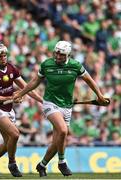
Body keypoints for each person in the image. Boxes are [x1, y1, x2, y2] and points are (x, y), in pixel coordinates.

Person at [13, 40, 109, 177]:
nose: (57, 57)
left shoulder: (76, 66)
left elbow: (89, 80)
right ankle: (62, 162)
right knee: (63, 130)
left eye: (61, 55)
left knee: (57, 141)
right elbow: (34, 82)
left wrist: (99, 95)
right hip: (50, 103)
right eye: (56, 53)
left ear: (68, 55)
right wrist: (20, 93)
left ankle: (42, 165)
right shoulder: (47, 64)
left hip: (67, 106)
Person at [0, 43, 43, 177]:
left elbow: (27, 88)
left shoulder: (12, 68)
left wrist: (42, 101)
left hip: (8, 109)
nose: (3, 58)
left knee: (8, 143)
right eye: (0, 56)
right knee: (15, 134)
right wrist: (13, 97)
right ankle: (12, 164)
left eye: (4, 55)